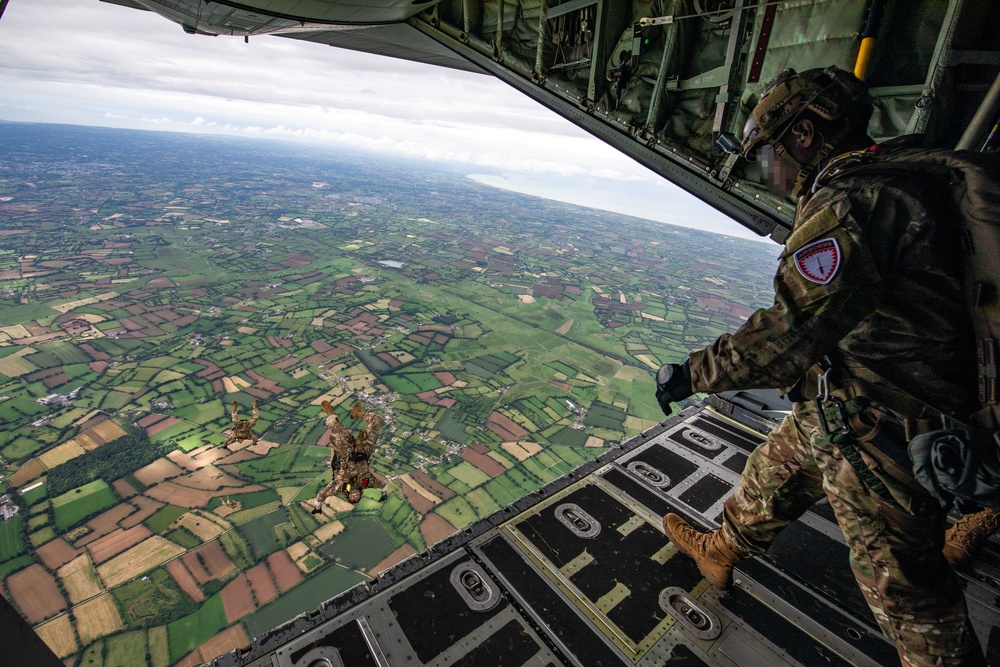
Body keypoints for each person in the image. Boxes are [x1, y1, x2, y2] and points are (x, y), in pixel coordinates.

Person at [654, 66, 985, 666]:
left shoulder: (850, 205)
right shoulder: (901, 176)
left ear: (805, 135)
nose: (770, 170)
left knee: (911, 599)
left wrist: (689, 374)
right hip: (857, 394)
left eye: (771, 152)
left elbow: (787, 336)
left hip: (884, 421)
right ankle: (721, 550)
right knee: (776, 469)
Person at [312, 401, 387, 512]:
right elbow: (381, 485)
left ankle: (329, 411)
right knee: (377, 421)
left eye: (352, 499)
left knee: (335, 426)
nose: (355, 497)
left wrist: (318, 507)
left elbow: (322, 495)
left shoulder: (339, 487)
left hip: (346, 452)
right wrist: (384, 494)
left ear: (348, 496)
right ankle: (358, 413)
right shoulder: (367, 482)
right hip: (364, 449)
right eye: (357, 499)